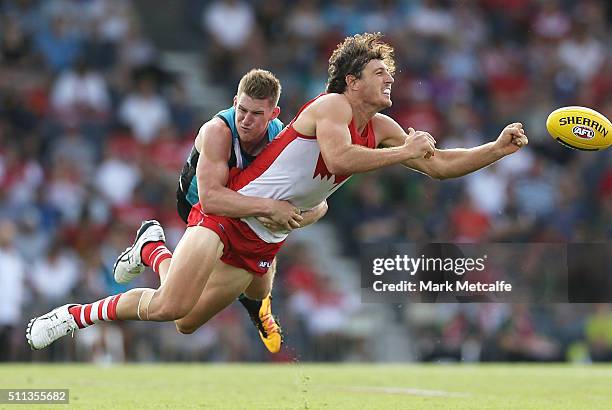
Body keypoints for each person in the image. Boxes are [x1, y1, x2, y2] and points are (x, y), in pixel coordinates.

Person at [27, 32, 528, 351]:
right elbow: (339, 160)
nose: (388, 79)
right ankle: (73, 315)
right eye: (379, 73)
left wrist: (495, 149)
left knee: (186, 323)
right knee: (168, 307)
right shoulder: (332, 107)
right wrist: (404, 153)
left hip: (263, 242)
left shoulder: (383, 125)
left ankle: (153, 248)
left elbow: (438, 165)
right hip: (224, 221)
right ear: (353, 81)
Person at [114, 68, 327, 353]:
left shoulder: (282, 141)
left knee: (257, 291)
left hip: (242, 213)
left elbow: (320, 203)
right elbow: (212, 199)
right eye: (242, 110)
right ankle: (151, 251)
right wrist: (271, 208)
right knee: (182, 312)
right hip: (200, 209)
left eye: (256, 114)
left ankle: (153, 248)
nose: (246, 120)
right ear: (234, 101)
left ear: (274, 114)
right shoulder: (218, 131)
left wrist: (292, 218)